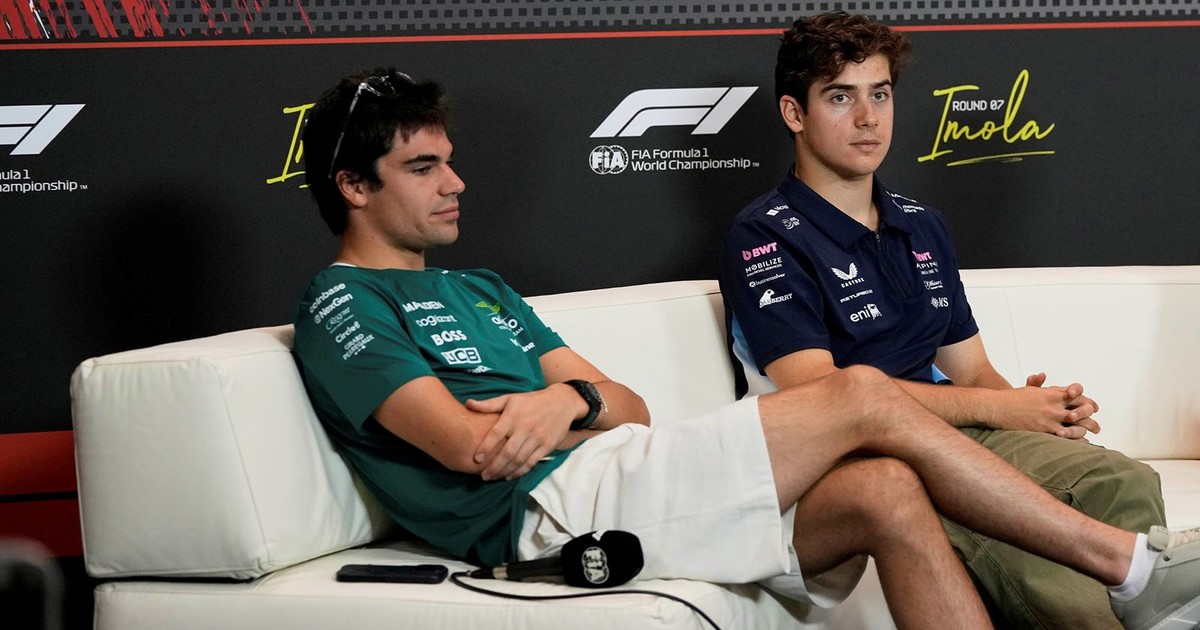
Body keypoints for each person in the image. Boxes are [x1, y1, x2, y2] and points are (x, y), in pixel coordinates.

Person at [291, 67, 1199, 630]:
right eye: (423, 168)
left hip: (615, 466)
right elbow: (471, 446)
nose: (456, 182)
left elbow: (627, 405)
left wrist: (565, 401)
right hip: (551, 513)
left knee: (886, 491)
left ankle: (1128, 571)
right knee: (860, 394)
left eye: (449, 160)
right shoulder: (341, 300)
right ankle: (1127, 569)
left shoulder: (479, 287)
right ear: (353, 186)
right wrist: (571, 408)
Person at [717, 11, 1185, 630]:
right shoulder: (763, 234)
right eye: (841, 97)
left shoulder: (921, 223)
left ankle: (1145, 603)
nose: (868, 118)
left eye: (880, 94)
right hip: (857, 462)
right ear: (794, 113)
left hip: (957, 439)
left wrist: (1037, 411)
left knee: (1122, 479)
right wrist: (998, 408)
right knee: (1024, 540)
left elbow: (973, 371)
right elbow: (823, 397)